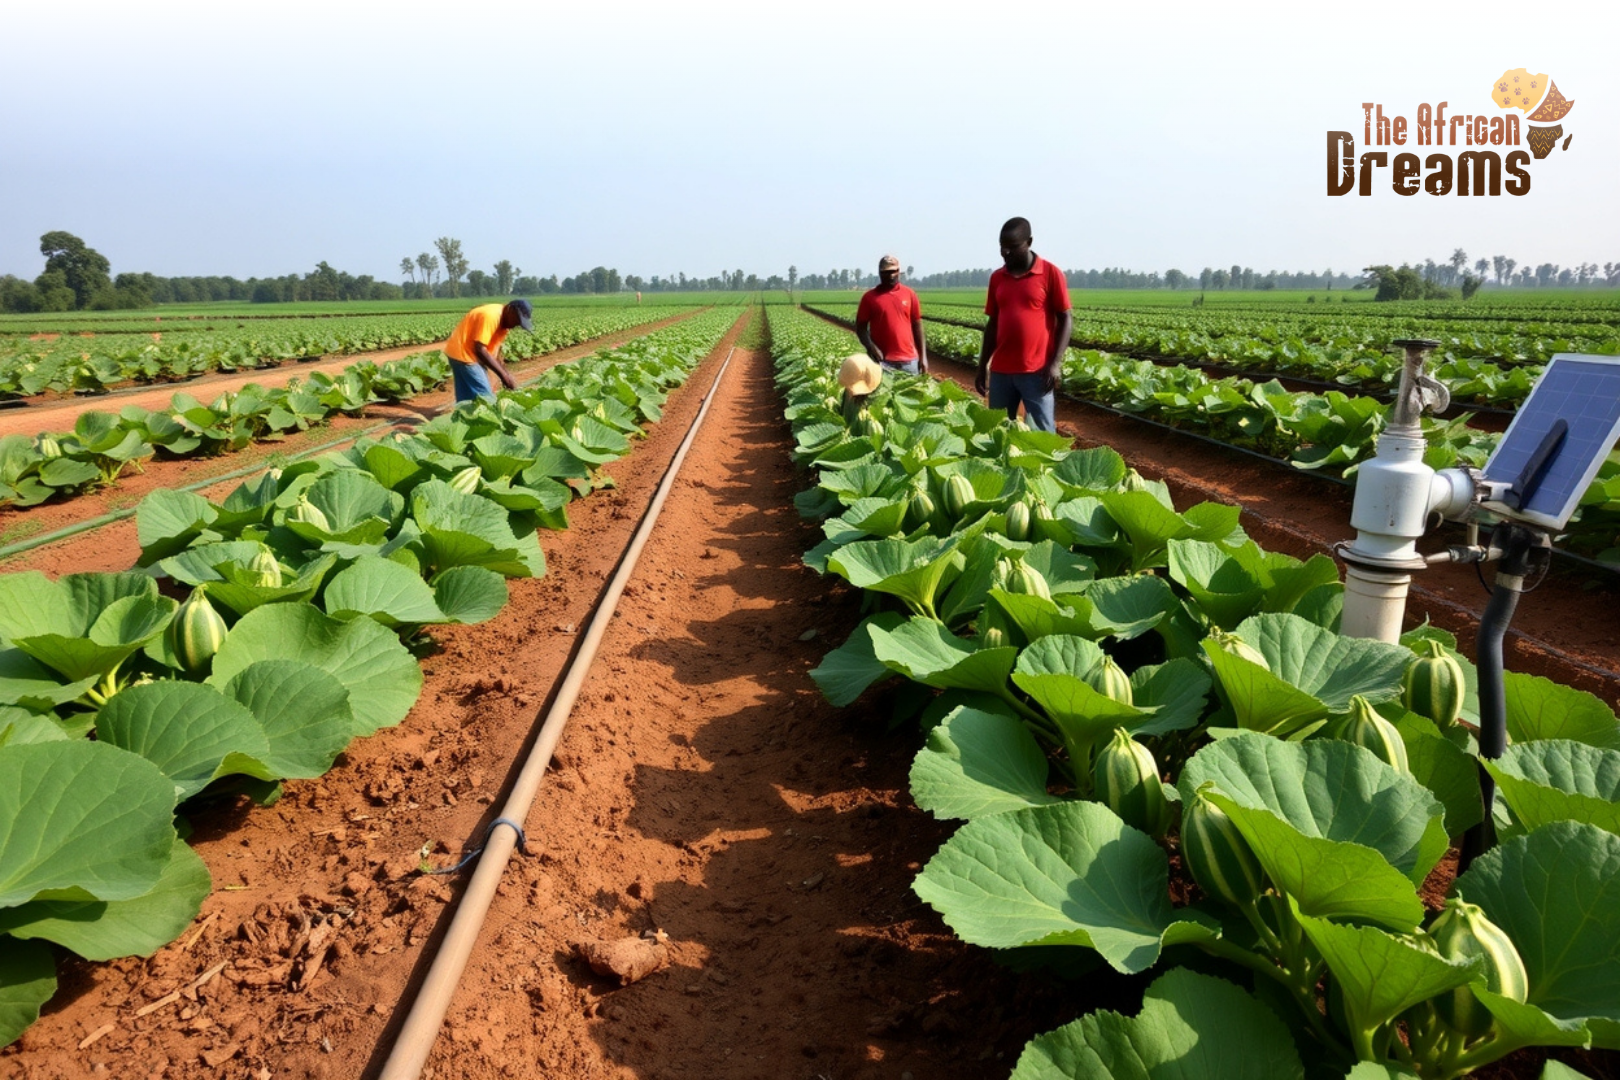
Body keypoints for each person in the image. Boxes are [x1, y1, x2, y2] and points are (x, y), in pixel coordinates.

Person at [973, 218, 1073, 433]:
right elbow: (993, 324)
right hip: (1001, 371)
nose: (1005, 252)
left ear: (1029, 242)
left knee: (1044, 432)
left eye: (1012, 247)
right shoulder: (997, 278)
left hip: (1036, 371)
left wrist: (1055, 364)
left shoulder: (1050, 273)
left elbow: (1066, 318)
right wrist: (982, 367)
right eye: (1002, 247)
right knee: (998, 431)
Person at [444, 299, 531, 402]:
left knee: (466, 398)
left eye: (519, 323)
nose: (515, 325)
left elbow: (494, 351)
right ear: (510, 310)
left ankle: (464, 416)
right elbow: (480, 349)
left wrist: (506, 373)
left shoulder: (504, 323)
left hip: (459, 352)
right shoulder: (491, 316)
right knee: (486, 398)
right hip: (465, 354)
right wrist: (504, 377)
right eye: (517, 320)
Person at [856, 255, 927, 376]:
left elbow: (917, 326)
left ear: (899, 272)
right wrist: (871, 347)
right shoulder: (869, 298)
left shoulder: (909, 294)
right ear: (879, 273)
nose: (890, 275)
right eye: (886, 272)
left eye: (893, 271)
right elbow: (860, 328)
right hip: (882, 361)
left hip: (909, 362)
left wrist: (923, 356)